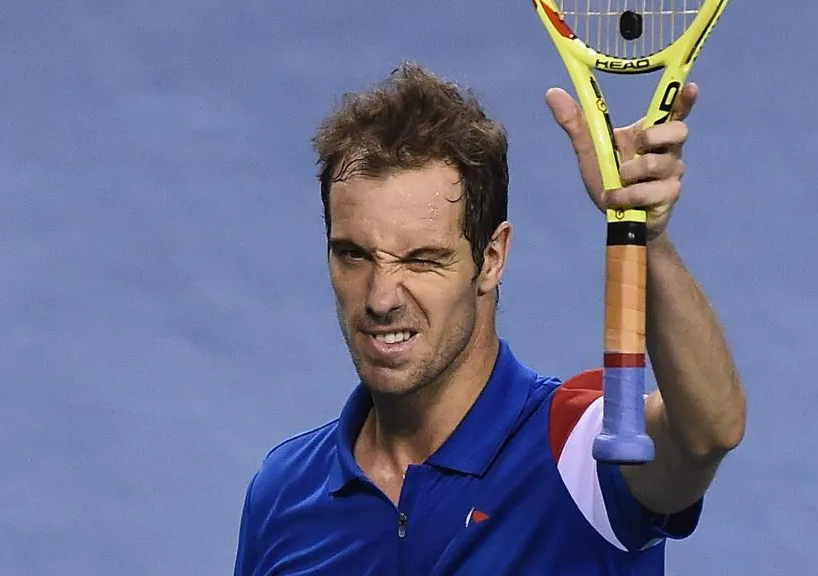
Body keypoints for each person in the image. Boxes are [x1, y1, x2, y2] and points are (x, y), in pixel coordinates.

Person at [232, 61, 746, 575]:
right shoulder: (284, 492)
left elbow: (707, 433)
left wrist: (643, 232)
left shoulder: (578, 451)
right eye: (354, 255)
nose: (381, 298)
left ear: (492, 258)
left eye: (423, 259)